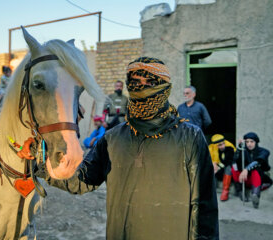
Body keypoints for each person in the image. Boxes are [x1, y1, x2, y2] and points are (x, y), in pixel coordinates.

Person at [38, 57, 218, 239]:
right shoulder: (112, 139)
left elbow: (204, 208)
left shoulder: (190, 137)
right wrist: (39, 162)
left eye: (151, 82)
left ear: (165, 86)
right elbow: (81, 181)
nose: (142, 88)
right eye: (136, 82)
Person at [232, 132, 272, 208]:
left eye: (251, 141)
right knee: (234, 167)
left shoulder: (264, 151)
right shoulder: (244, 151)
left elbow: (258, 161)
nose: (249, 144)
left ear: (256, 142)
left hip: (259, 179)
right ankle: (240, 192)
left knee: (255, 169)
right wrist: (239, 148)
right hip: (244, 179)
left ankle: (255, 196)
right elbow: (235, 161)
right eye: (247, 142)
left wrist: (246, 169)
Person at [208, 134, 235, 201]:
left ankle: (225, 191)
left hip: (229, 170)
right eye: (219, 145)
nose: (222, 146)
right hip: (219, 169)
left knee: (228, 168)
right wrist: (214, 164)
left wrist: (218, 166)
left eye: (223, 143)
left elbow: (229, 161)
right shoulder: (211, 148)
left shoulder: (229, 147)